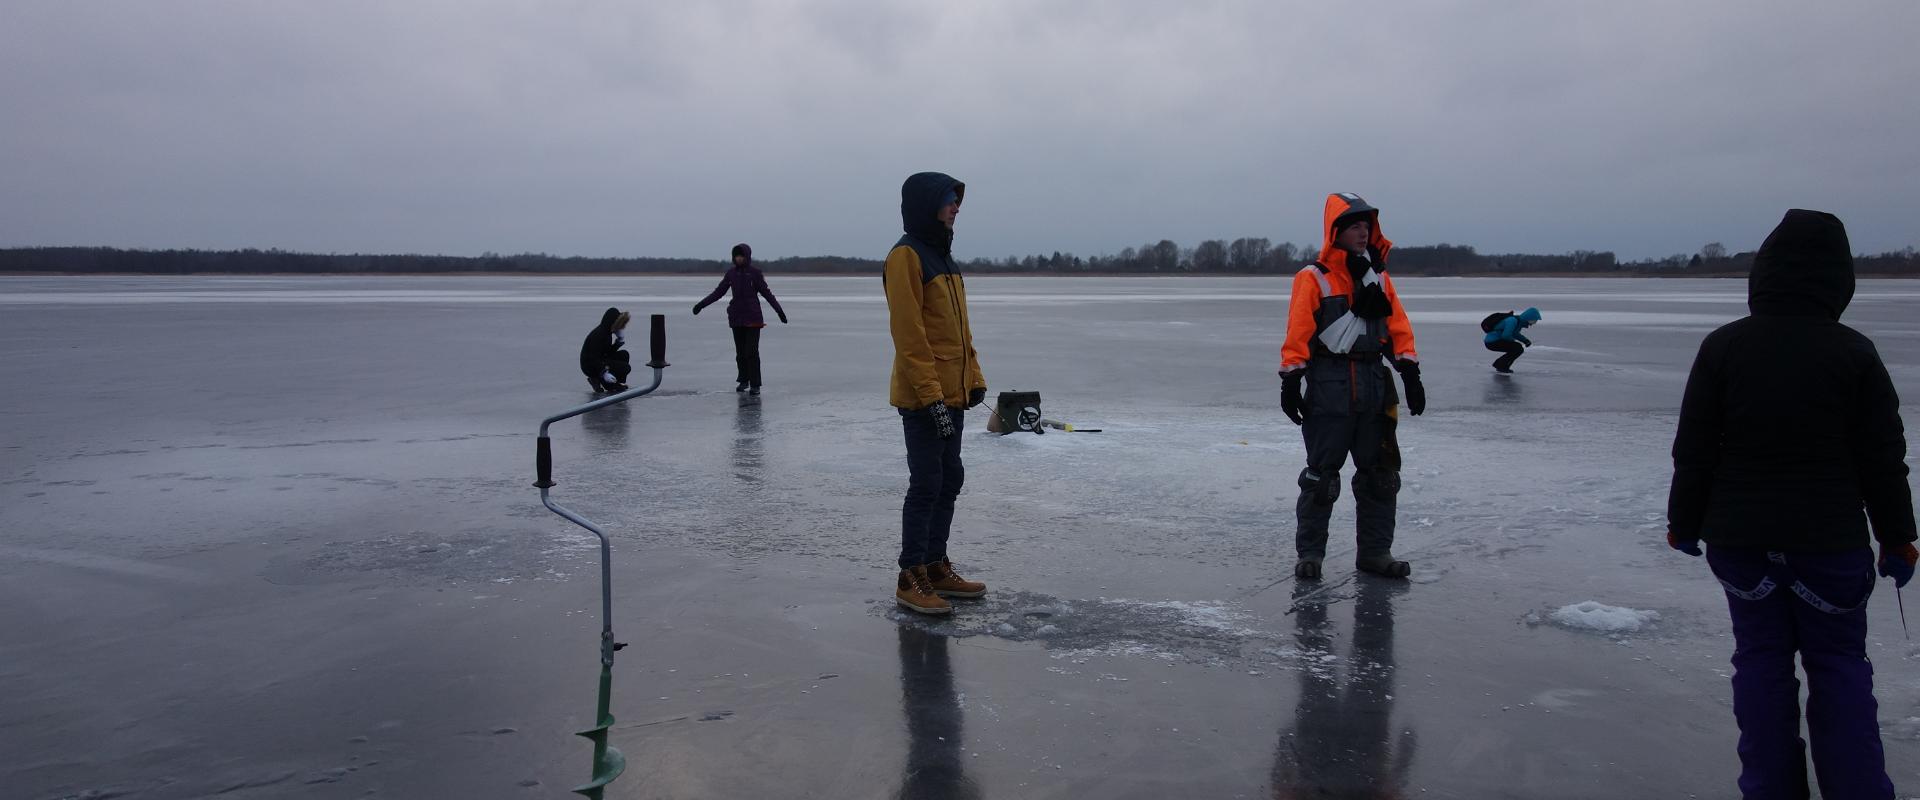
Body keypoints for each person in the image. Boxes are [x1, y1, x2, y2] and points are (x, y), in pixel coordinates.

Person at [1667, 209, 1916, 800]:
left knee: (1761, 665)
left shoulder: (1724, 347)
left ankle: (1770, 789)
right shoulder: (1853, 353)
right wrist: (1898, 536)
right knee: (1838, 667)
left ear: (1764, 274)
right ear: (1839, 281)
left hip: (1741, 543)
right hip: (1829, 543)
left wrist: (1684, 522)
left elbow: (1695, 448)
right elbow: (1883, 458)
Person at [1279, 193, 1425, 580]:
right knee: (1321, 477)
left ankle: (1375, 553)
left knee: (1380, 476)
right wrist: (1291, 379)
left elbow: (1397, 328)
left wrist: (1409, 371)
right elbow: (1299, 331)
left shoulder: (1379, 279)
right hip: (1330, 387)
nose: (1364, 233)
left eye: (1367, 227)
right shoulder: (1314, 278)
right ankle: (1311, 553)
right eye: (1356, 227)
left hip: (1375, 386)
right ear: (1336, 233)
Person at [885, 172, 988, 615]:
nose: (956, 207)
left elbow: (959, 334)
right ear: (928, 204)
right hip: (925, 398)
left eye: (957, 200)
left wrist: (974, 378)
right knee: (926, 483)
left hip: (953, 395)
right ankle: (912, 575)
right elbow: (910, 337)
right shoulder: (907, 256)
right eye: (949, 199)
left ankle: (936, 564)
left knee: (950, 479)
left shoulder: (943, 256)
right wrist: (931, 398)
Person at [693, 243, 787, 395]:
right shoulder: (731, 274)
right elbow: (718, 292)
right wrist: (701, 305)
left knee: (751, 351)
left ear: (747, 256)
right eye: (736, 256)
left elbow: (767, 293)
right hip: (736, 317)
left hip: (753, 317)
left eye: (741, 256)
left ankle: (755, 384)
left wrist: (779, 311)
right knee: (740, 352)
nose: (739, 258)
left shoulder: (755, 273)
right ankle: (744, 380)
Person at [578, 307, 631, 393]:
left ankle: (616, 382)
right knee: (626, 368)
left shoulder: (607, 333)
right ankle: (608, 383)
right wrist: (604, 373)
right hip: (589, 366)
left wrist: (619, 342)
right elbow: (593, 358)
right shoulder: (599, 334)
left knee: (624, 354)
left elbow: (606, 353)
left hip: (599, 361)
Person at [1483, 306, 1542, 373]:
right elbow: (1506, 335)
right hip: (1492, 342)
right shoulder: (1512, 320)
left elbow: (1515, 333)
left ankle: (1501, 365)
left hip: (1494, 341)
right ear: (1529, 318)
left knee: (1517, 348)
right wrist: (1513, 341)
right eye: (1535, 320)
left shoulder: (1518, 322)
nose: (1535, 322)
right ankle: (1500, 365)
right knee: (1517, 348)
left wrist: (1525, 341)